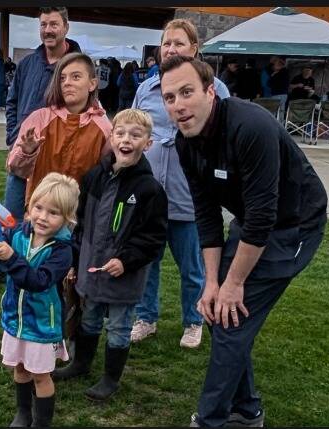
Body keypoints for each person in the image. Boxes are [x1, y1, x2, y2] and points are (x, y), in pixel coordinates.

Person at [159, 55, 327, 428]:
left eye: (187, 92)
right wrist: (213, 283)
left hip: (295, 224)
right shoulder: (185, 143)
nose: (178, 105)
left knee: (231, 320)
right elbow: (206, 216)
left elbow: (265, 218)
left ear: (210, 92)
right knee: (221, 311)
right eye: (169, 98)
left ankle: (211, 420)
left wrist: (233, 285)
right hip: (252, 222)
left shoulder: (251, 126)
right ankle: (247, 410)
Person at [53, 109, 168, 402]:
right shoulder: (94, 177)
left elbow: (154, 238)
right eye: (121, 133)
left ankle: (110, 379)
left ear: (148, 144)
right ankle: (81, 363)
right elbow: (78, 225)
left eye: (135, 135)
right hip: (90, 270)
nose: (126, 140)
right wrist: (75, 261)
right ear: (111, 138)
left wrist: (126, 260)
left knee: (118, 326)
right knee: (88, 319)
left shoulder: (149, 189)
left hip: (122, 277)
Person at [130, 18, 230, 349]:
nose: (171, 49)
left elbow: (223, 135)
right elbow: (133, 129)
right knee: (147, 261)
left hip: (190, 195)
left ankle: (193, 320)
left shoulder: (214, 87)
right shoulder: (146, 89)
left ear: (194, 49)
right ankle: (146, 317)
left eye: (179, 43)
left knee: (193, 267)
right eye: (166, 43)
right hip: (150, 194)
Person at [0, 6, 81, 288]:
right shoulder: (28, 63)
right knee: (9, 212)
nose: (48, 30)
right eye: (44, 24)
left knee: (49, 213)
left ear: (66, 27)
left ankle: (46, 268)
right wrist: (14, 136)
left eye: (54, 24)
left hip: (56, 156)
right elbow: (12, 102)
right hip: (24, 154)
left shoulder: (76, 64)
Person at [0, 172, 81, 427]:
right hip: (15, 319)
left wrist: (11, 257)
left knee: (41, 376)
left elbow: (38, 281)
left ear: (66, 219)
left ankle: (41, 423)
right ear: (29, 207)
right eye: (38, 207)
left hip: (42, 324)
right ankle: (23, 413)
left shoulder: (62, 251)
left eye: (53, 212)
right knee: (20, 369)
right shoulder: (18, 234)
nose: (43, 217)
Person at [6, 52, 112, 207]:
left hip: (78, 219)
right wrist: (26, 153)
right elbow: (15, 169)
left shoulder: (104, 127)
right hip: (40, 216)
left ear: (92, 84)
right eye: (62, 78)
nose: (67, 83)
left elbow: (106, 176)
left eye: (76, 77)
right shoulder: (39, 119)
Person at [269, 56, 289, 122]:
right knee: (281, 112)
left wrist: (272, 75)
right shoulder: (286, 72)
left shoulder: (277, 74)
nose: (273, 67)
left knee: (273, 112)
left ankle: (273, 127)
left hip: (276, 94)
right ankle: (281, 127)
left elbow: (269, 84)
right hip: (284, 94)